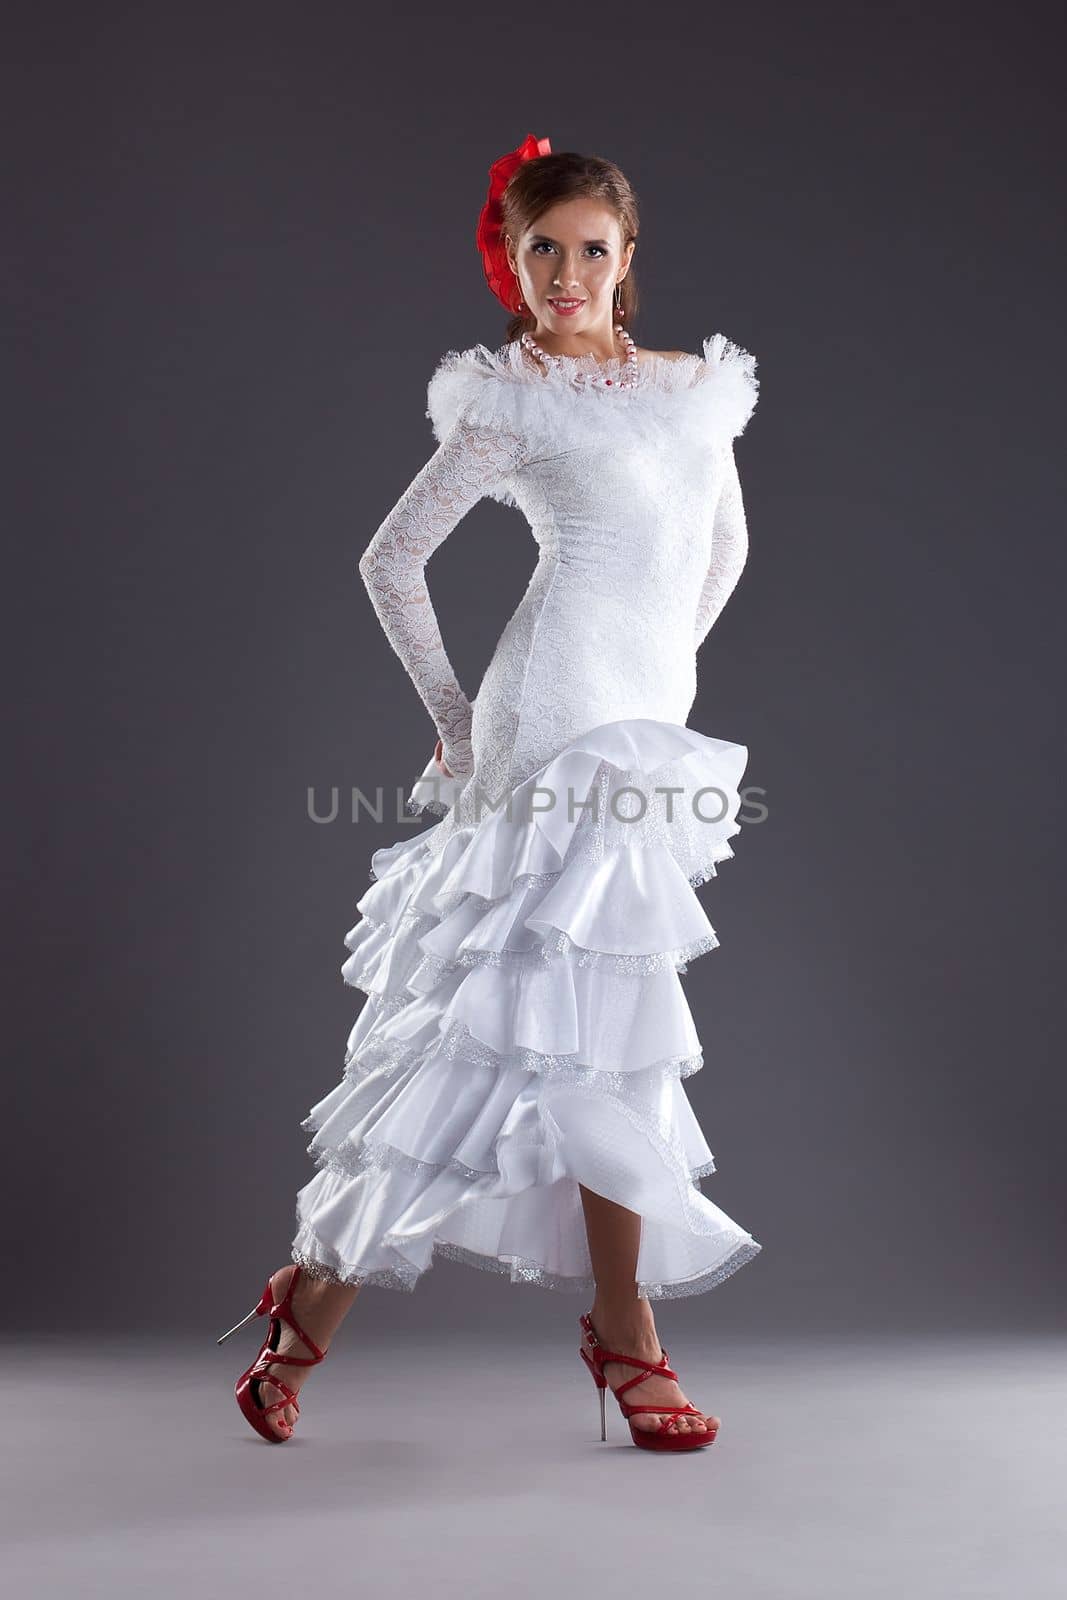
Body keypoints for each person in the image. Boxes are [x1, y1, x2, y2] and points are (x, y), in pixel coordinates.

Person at [218, 135, 762, 1453]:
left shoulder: (692, 392)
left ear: (629, 263)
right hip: (545, 728)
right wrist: (461, 721)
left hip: (638, 733)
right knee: (480, 1030)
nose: (567, 274)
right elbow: (390, 560)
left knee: (614, 1035)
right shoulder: (507, 401)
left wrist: (662, 685)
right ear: (507, 262)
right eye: (542, 251)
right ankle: (312, 1310)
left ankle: (623, 1326)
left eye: (592, 250)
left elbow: (723, 547)